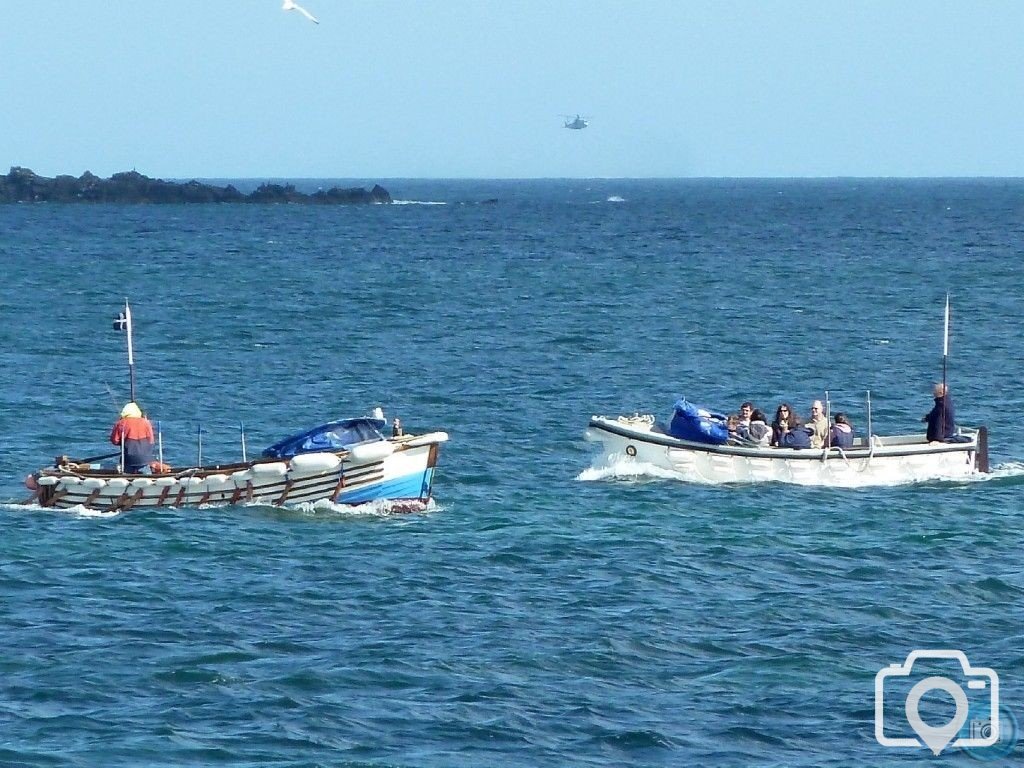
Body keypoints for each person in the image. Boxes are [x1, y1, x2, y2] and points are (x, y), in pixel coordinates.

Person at [110, 402, 155, 474]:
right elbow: (151, 440)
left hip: (128, 458)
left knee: (127, 474)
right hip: (145, 458)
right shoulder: (146, 422)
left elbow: (114, 440)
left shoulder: (121, 423)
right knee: (146, 475)